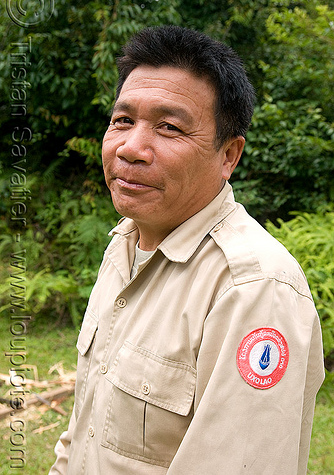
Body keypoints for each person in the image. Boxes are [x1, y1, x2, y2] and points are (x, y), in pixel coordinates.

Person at [50, 26, 324, 474]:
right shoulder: (124, 244)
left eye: (170, 127)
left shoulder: (252, 289)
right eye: (122, 120)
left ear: (228, 156)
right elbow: (87, 425)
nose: (131, 148)